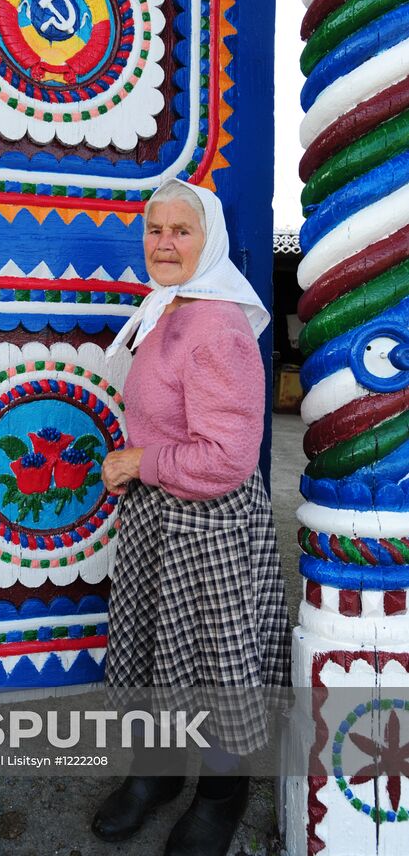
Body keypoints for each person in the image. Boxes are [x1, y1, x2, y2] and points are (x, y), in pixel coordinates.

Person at [91, 179, 291, 856]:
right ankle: (156, 772)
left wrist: (132, 463)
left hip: (208, 528)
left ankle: (219, 793)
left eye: (182, 230)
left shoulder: (215, 325)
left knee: (216, 669)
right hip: (164, 519)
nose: (164, 243)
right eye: (154, 229)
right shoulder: (170, 307)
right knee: (158, 655)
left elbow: (225, 459)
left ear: (211, 242)